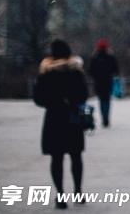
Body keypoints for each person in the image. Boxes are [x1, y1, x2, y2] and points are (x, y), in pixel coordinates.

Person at [33, 40, 89, 209]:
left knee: (56, 158)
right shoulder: (76, 72)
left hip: (54, 118)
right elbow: (84, 96)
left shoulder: (46, 74)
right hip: (73, 118)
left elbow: (38, 98)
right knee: (76, 156)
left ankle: (60, 195)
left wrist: (52, 102)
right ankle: (78, 192)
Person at [88, 40, 119, 128]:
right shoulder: (110, 57)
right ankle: (106, 117)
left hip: (98, 82)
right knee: (107, 100)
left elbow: (91, 72)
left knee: (101, 101)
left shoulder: (94, 58)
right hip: (108, 81)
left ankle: (103, 118)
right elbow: (115, 70)